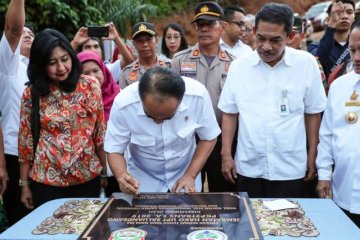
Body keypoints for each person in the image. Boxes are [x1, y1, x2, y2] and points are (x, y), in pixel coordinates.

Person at [218, 3, 327, 198]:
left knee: (291, 224)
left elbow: (313, 113)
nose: (266, 46)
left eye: (275, 40)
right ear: (253, 32)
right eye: (261, 38)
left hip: (291, 168)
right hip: (249, 166)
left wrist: (312, 154)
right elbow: (230, 113)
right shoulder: (239, 67)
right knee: (250, 223)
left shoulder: (306, 64)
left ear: (290, 36)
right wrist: (226, 154)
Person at [18, 29, 107, 209]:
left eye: (65, 59)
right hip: (46, 184)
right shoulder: (32, 93)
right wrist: (25, 185)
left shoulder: (90, 86)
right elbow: (25, 143)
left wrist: (104, 174)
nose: (61, 68)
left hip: (87, 179)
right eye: (52, 62)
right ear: (41, 64)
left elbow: (99, 134)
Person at [105, 67, 220, 195]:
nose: (158, 122)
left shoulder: (197, 96)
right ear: (140, 98)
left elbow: (209, 137)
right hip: (142, 181)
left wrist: (190, 175)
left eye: (168, 117)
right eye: (150, 116)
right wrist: (122, 176)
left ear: (181, 100)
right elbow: (114, 149)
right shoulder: (124, 104)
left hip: (185, 177)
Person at [172, 1, 236, 192]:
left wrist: (227, 151)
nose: (204, 29)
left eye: (210, 24)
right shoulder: (180, 61)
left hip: (221, 141)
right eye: (200, 25)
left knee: (223, 195)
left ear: (223, 27)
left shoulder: (234, 64)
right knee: (187, 194)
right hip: (187, 140)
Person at [316, 19, 360, 228]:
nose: (357, 57)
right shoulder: (340, 86)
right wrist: (323, 175)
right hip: (343, 191)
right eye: (352, 50)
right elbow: (327, 135)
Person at [0, 0, 34, 226]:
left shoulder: (40, 70)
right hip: (14, 155)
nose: (27, 34)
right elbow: (13, 29)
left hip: (45, 158)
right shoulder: (9, 65)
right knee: (22, 223)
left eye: (32, 33)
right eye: (24, 32)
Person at [77, 50, 121, 196]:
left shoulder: (120, 97)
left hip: (119, 169)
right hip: (91, 171)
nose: (92, 77)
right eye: (86, 73)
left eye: (96, 71)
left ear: (104, 70)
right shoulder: (75, 102)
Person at [120, 22, 171, 89]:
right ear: (134, 44)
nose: (145, 44)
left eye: (149, 39)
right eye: (139, 41)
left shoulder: (170, 66)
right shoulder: (126, 73)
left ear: (156, 40)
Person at [315, 0, 355, 79]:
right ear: (328, 18)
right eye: (339, 13)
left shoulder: (357, 45)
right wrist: (332, 23)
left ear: (354, 16)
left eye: (349, 12)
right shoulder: (316, 47)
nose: (345, 16)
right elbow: (318, 64)